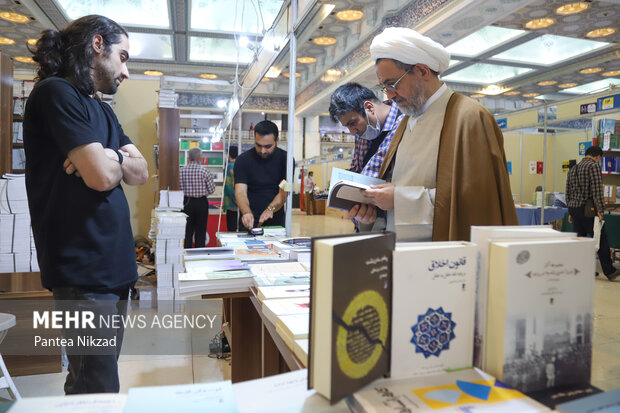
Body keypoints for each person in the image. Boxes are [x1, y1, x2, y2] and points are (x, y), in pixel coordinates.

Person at [23, 15, 149, 393]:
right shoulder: (56, 93)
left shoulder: (104, 110)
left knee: (92, 377)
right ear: (97, 45)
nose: (125, 72)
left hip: (115, 267)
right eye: (122, 57)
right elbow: (100, 176)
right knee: (97, 384)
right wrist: (112, 162)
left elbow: (141, 172)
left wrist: (111, 157)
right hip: (82, 269)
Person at [350, 27, 518, 241]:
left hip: (446, 263)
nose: (390, 96)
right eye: (384, 87)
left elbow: (478, 203)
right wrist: (372, 213)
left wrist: (399, 200)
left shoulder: (469, 118)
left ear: (422, 71)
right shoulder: (404, 123)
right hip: (401, 257)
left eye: (393, 84)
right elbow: (393, 197)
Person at [566, 145, 619, 280]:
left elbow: (568, 192)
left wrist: (570, 211)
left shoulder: (573, 169)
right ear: (597, 156)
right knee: (601, 239)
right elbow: (597, 191)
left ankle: (580, 270)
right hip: (588, 209)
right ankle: (609, 271)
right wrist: (600, 210)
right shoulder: (593, 166)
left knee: (580, 240)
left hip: (574, 208)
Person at [329, 82, 403, 178]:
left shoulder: (405, 121)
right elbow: (356, 169)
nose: (353, 132)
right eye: (347, 127)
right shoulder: (362, 134)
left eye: (352, 123)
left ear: (369, 107)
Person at [234, 120, 288, 229]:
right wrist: (246, 212)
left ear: (277, 141)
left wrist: (270, 209)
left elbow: (283, 192)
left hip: (275, 219)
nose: (263, 151)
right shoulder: (243, 160)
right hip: (248, 219)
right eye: (258, 145)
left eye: (268, 146)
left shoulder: (286, 160)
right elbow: (240, 192)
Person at [180, 147, 215, 247]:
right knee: (200, 230)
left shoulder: (181, 171)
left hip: (186, 202)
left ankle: (186, 254)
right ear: (199, 157)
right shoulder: (204, 171)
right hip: (201, 202)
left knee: (187, 231)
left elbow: (178, 189)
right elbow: (212, 189)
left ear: (188, 157)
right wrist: (203, 193)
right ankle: (199, 254)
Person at [223, 145, 239, 231]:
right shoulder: (240, 165)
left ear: (229, 155)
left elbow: (229, 187)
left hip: (232, 204)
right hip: (241, 203)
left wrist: (237, 201)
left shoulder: (229, 167)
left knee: (232, 229)